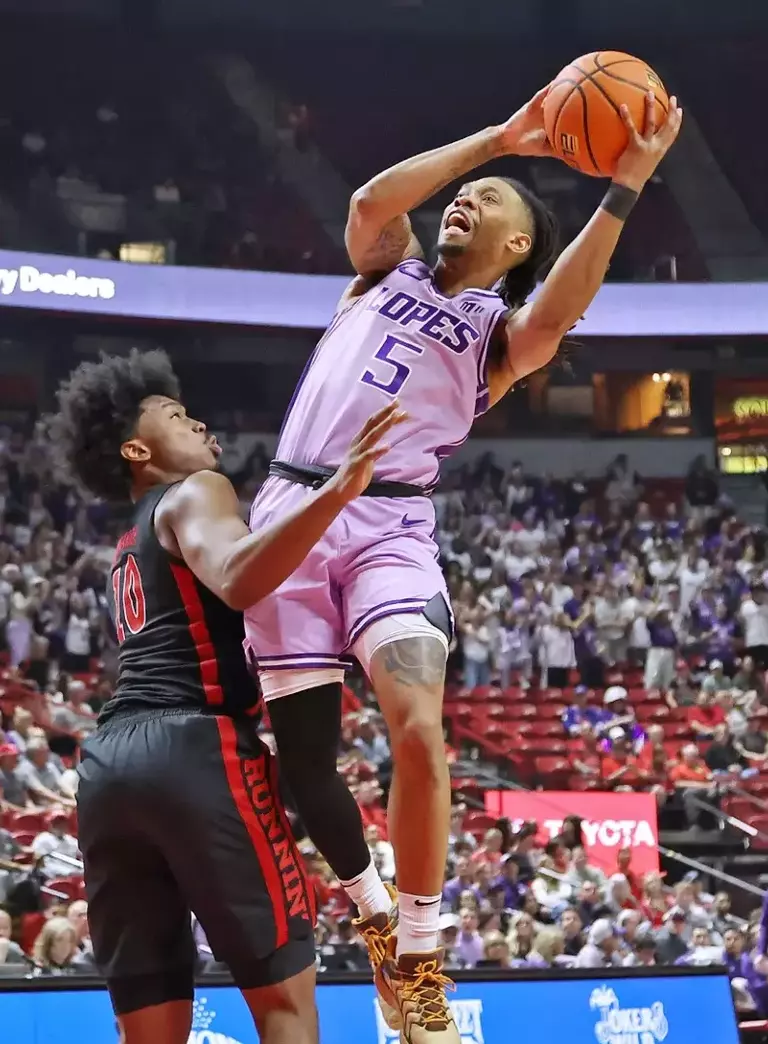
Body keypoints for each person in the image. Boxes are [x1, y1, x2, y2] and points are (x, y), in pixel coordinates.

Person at [242, 85, 681, 1039]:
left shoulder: (499, 336)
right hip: (290, 511)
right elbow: (368, 203)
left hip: (390, 527)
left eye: (491, 201)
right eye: (466, 192)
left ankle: (424, 949)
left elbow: (561, 308)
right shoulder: (380, 271)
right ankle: (368, 908)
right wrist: (503, 138)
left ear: (518, 246)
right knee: (304, 763)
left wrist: (628, 186)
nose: (467, 200)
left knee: (417, 728)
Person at [50, 349, 403, 1044]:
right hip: (196, 749)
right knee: (286, 1010)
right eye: (177, 416)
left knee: (150, 1031)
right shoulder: (198, 491)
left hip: (108, 770)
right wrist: (339, 489)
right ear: (138, 449)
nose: (199, 422)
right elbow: (241, 576)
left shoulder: (128, 542)